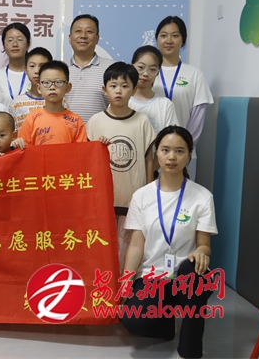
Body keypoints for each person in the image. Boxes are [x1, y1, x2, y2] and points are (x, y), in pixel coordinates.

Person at [121, 125, 218, 359]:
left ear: (189, 154)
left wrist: (201, 251)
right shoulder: (142, 196)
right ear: (157, 152)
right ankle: (166, 323)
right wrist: (126, 281)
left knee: (196, 276)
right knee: (134, 321)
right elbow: (136, 244)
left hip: (185, 274)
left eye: (179, 151)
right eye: (165, 150)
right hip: (152, 275)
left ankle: (190, 350)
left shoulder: (202, 196)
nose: (172, 157)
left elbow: (204, 244)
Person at [87, 62, 156, 270]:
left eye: (125, 86)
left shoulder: (142, 121)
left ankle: (126, 286)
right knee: (103, 247)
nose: (119, 91)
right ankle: (105, 285)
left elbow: (149, 160)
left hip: (133, 199)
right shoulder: (95, 121)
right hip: (103, 199)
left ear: (134, 90)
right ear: (104, 89)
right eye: (113, 85)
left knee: (128, 248)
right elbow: (88, 161)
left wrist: (149, 193)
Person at [152, 16, 213, 180]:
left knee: (182, 194)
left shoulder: (194, 75)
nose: (169, 40)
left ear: (183, 40)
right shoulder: (146, 73)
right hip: (150, 152)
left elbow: (197, 117)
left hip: (181, 153)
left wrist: (183, 147)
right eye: (163, 35)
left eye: (175, 35)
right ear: (157, 39)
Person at [18, 61, 87, 146]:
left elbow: (82, 150)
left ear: (68, 87)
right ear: (39, 88)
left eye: (58, 82)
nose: (52, 87)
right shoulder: (32, 118)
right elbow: (23, 148)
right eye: (46, 83)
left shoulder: (76, 121)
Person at [66, 14, 115, 124]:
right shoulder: (58, 69)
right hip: (64, 133)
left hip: (99, 133)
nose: (83, 36)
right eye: (78, 31)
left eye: (89, 31)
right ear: (70, 38)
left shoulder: (111, 68)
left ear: (97, 38)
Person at [9, 47, 67, 133]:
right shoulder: (16, 104)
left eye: (42, 66)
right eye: (32, 66)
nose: (37, 71)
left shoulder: (61, 101)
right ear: (26, 70)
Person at [129, 46, 179, 133]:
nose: (145, 74)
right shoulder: (121, 101)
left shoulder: (166, 105)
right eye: (141, 67)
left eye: (152, 69)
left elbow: (172, 136)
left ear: (158, 73)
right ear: (131, 67)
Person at [0, 22, 32, 106]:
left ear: (28, 44)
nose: (15, 44)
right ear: (4, 45)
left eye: (20, 40)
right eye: (10, 40)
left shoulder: (35, 75)